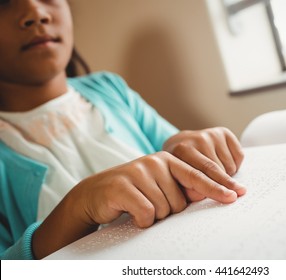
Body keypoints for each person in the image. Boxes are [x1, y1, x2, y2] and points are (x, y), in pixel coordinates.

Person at [0, 0, 246, 260]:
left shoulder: (109, 88)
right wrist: (77, 207)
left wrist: (186, 147)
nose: (36, 13)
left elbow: (172, 147)